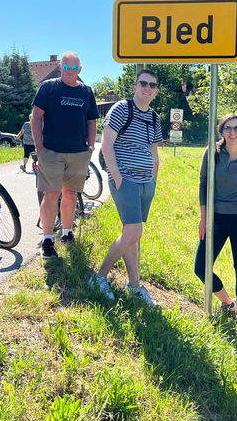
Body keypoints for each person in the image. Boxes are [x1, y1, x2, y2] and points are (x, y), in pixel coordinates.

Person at [89, 69, 163, 305]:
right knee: (134, 232)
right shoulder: (122, 109)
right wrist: (117, 176)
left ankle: (134, 286)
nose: (147, 88)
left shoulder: (154, 117)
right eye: (143, 83)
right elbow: (106, 143)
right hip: (126, 180)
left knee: (130, 234)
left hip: (145, 182)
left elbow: (153, 151)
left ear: (156, 91)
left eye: (152, 85)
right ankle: (99, 277)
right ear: (135, 86)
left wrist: (153, 179)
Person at [31, 51, 99, 258]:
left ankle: (67, 233)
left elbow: (91, 121)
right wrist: (40, 148)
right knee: (51, 195)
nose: (70, 70)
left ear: (80, 69)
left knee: (70, 193)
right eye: (66, 67)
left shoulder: (86, 92)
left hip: (78, 152)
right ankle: (47, 239)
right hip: (51, 151)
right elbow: (36, 117)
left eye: (74, 67)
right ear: (60, 67)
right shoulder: (48, 88)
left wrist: (89, 147)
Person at [194, 113, 237, 320]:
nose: (233, 132)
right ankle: (227, 302)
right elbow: (203, 183)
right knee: (200, 267)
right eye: (228, 128)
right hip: (216, 219)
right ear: (221, 131)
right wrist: (203, 218)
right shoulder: (212, 153)